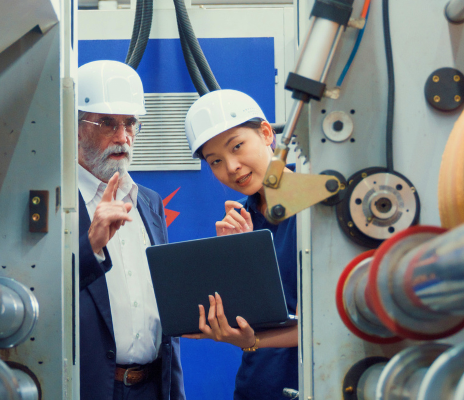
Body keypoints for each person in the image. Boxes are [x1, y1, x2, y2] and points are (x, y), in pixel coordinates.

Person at [75, 60, 185, 400]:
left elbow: (164, 311)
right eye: (108, 123)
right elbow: (38, 293)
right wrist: (90, 247)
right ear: (75, 126)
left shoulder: (148, 202)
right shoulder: (56, 201)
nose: (123, 137)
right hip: (92, 389)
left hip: (153, 386)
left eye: (130, 124)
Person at [180, 89, 298, 400]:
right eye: (215, 161)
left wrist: (253, 340)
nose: (231, 167)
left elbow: (323, 320)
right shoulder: (241, 223)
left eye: (237, 146)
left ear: (266, 133)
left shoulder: (317, 208)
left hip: (313, 382)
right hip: (256, 387)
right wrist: (237, 259)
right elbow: (253, 317)